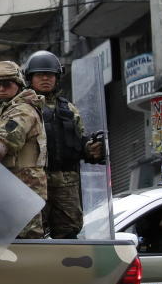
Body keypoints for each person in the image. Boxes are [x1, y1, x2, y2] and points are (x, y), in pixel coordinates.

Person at [24, 50, 105, 239]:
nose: (45, 78)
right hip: (35, 182)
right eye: (39, 74)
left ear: (57, 77)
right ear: (30, 78)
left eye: (50, 74)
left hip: (66, 182)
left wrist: (91, 149)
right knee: (32, 236)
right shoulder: (22, 108)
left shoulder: (68, 109)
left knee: (69, 231)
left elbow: (79, 141)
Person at [0, 60, 48, 239]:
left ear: (18, 85)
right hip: (10, 189)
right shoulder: (5, 109)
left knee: (26, 247)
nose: (1, 89)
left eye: (6, 84)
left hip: (24, 190)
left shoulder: (23, 111)